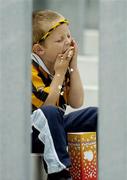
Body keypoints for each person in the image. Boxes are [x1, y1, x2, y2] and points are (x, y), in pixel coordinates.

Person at [31, 9, 97, 180]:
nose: (67, 42)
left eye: (68, 36)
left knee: (94, 115)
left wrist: (73, 65)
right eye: (60, 40)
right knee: (51, 113)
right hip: (32, 133)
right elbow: (46, 109)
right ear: (39, 49)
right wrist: (59, 73)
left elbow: (77, 101)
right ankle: (59, 173)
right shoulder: (31, 69)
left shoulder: (61, 64)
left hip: (55, 128)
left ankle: (101, 165)